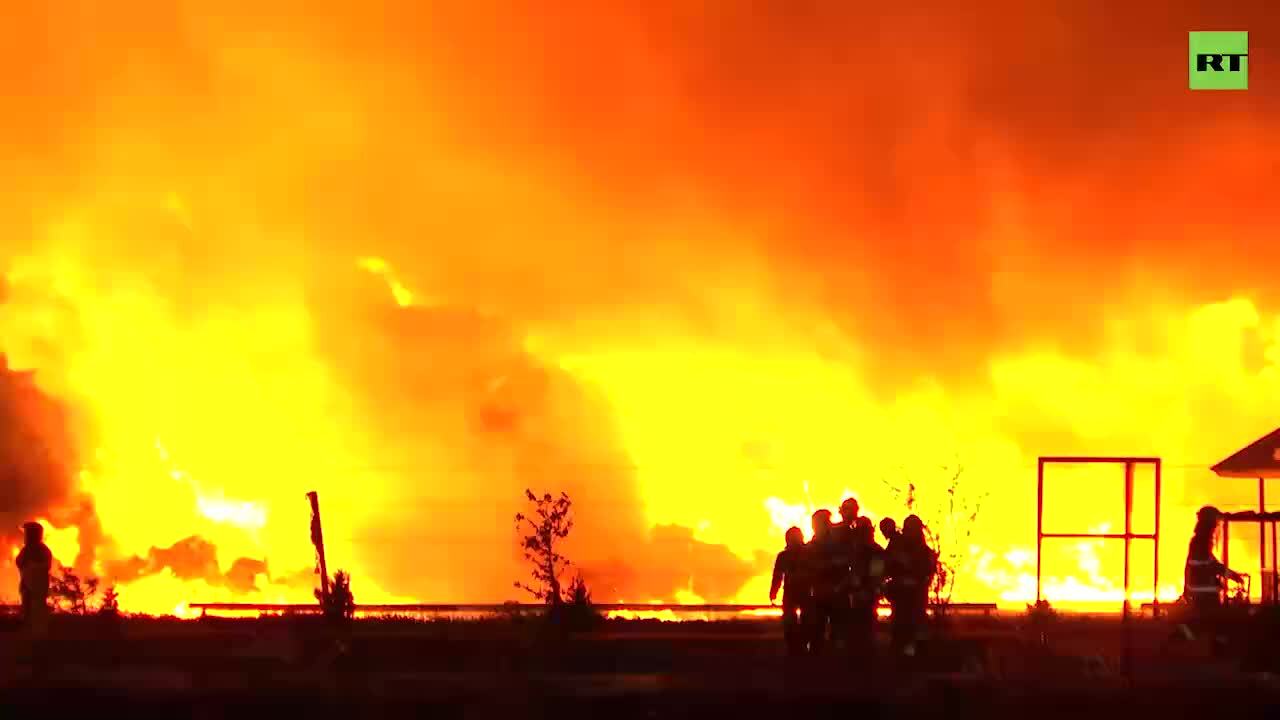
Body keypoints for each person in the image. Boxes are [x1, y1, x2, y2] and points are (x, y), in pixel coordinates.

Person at [1178, 506, 1242, 654]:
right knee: (1214, 621)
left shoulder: (1200, 540)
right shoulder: (1201, 541)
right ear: (1209, 523)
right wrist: (1230, 574)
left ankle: (1214, 648)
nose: (1217, 526)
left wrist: (1228, 573)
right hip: (1204, 590)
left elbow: (1209, 561)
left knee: (1211, 621)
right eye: (1215, 522)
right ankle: (1179, 638)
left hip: (1203, 589)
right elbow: (1207, 564)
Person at [886, 514, 936, 657]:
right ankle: (903, 661)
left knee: (913, 637)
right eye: (909, 529)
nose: (910, 533)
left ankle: (912, 660)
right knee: (900, 636)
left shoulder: (925, 553)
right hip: (902, 603)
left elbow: (926, 574)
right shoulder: (897, 547)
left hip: (915, 603)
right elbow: (886, 567)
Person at [847, 517, 886, 661]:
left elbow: (877, 574)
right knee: (858, 628)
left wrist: (868, 589)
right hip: (857, 594)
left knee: (866, 627)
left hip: (867, 594)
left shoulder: (875, 551)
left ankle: (866, 658)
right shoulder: (856, 549)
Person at [804, 509, 842, 655]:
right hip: (817, 595)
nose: (816, 526)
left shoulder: (838, 544)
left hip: (835, 594)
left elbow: (845, 564)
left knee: (836, 632)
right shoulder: (810, 546)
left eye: (819, 523)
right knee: (816, 632)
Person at [770, 526, 810, 656]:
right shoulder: (785, 556)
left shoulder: (806, 554)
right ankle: (795, 648)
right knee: (792, 623)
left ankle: (798, 648)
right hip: (795, 593)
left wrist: (773, 592)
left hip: (804, 593)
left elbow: (777, 576)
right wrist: (773, 592)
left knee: (803, 622)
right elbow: (778, 575)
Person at [16, 521, 53, 629]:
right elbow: (20, 563)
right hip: (27, 589)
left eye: (27, 533)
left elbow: (41, 568)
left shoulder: (42, 551)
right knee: (28, 617)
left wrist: (31, 565)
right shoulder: (27, 550)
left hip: (36, 591)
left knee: (36, 618)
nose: (25, 536)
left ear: (33, 534)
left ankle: (38, 640)